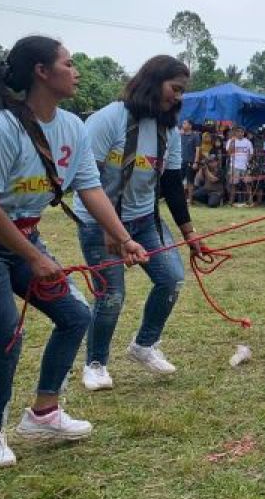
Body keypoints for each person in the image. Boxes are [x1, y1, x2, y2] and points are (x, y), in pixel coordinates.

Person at [0, 36, 149, 469]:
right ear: (42, 71)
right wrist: (34, 257)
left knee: (76, 315)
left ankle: (44, 412)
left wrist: (123, 238)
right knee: (4, 337)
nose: (76, 71)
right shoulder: (1, 130)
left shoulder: (73, 126)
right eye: (68, 63)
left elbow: (90, 190)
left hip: (22, 236)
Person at [74, 56, 205, 389]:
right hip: (97, 222)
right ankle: (95, 363)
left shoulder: (169, 130)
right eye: (174, 89)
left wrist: (190, 234)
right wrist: (110, 230)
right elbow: (88, 179)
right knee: (112, 294)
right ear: (152, 81)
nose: (178, 97)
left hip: (145, 220)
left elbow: (173, 184)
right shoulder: (108, 120)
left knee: (172, 279)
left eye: (182, 92)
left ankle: (144, 344)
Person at [226, 126, 253, 206]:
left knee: (247, 184)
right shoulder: (230, 141)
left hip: (245, 166)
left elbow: (251, 154)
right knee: (233, 184)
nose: (240, 133)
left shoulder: (248, 142)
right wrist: (232, 142)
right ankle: (231, 201)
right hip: (234, 166)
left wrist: (248, 162)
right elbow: (229, 152)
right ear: (235, 132)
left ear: (243, 133)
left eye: (241, 132)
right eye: (238, 132)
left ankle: (250, 201)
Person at [179, 121, 200, 201]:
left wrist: (196, 162)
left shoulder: (195, 136)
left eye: (185, 123)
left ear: (190, 125)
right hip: (180, 162)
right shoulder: (180, 135)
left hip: (190, 162)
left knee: (190, 182)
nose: (183, 124)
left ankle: (190, 200)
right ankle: (180, 199)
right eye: (183, 123)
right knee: (179, 181)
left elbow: (198, 150)